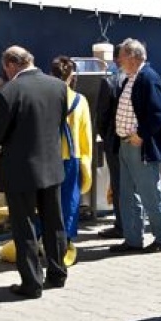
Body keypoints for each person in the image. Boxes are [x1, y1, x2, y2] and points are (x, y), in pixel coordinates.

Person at [0, 46, 68, 298]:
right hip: (52, 166)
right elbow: (59, 122)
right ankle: (57, 272)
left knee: (25, 227)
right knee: (54, 222)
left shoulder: (8, 92)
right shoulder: (58, 86)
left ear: (11, 65)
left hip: (21, 171)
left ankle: (32, 283)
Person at [110, 38, 161, 253]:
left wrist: (141, 135)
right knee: (127, 195)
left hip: (140, 145)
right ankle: (133, 239)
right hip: (126, 144)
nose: (118, 60)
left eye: (121, 55)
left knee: (150, 193)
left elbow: (159, 114)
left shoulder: (149, 78)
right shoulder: (131, 78)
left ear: (132, 57)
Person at [50, 56, 93, 241]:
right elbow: (86, 135)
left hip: (48, 156)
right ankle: (66, 241)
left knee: (47, 201)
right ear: (72, 75)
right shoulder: (80, 100)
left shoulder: (46, 96)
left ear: (51, 74)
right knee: (70, 200)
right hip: (72, 157)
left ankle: (45, 237)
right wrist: (86, 161)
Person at [93, 43, 127, 240]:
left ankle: (122, 225)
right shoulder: (139, 79)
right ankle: (131, 224)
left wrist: (106, 137)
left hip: (115, 141)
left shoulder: (110, 82)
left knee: (119, 183)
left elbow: (102, 116)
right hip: (134, 141)